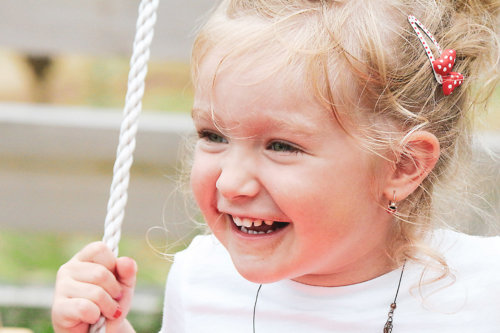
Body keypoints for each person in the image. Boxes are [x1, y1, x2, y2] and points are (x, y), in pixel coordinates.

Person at [51, 0, 500, 332]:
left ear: (401, 165)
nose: (231, 182)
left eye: (281, 146)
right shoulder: (200, 280)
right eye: (213, 136)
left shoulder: (482, 294)